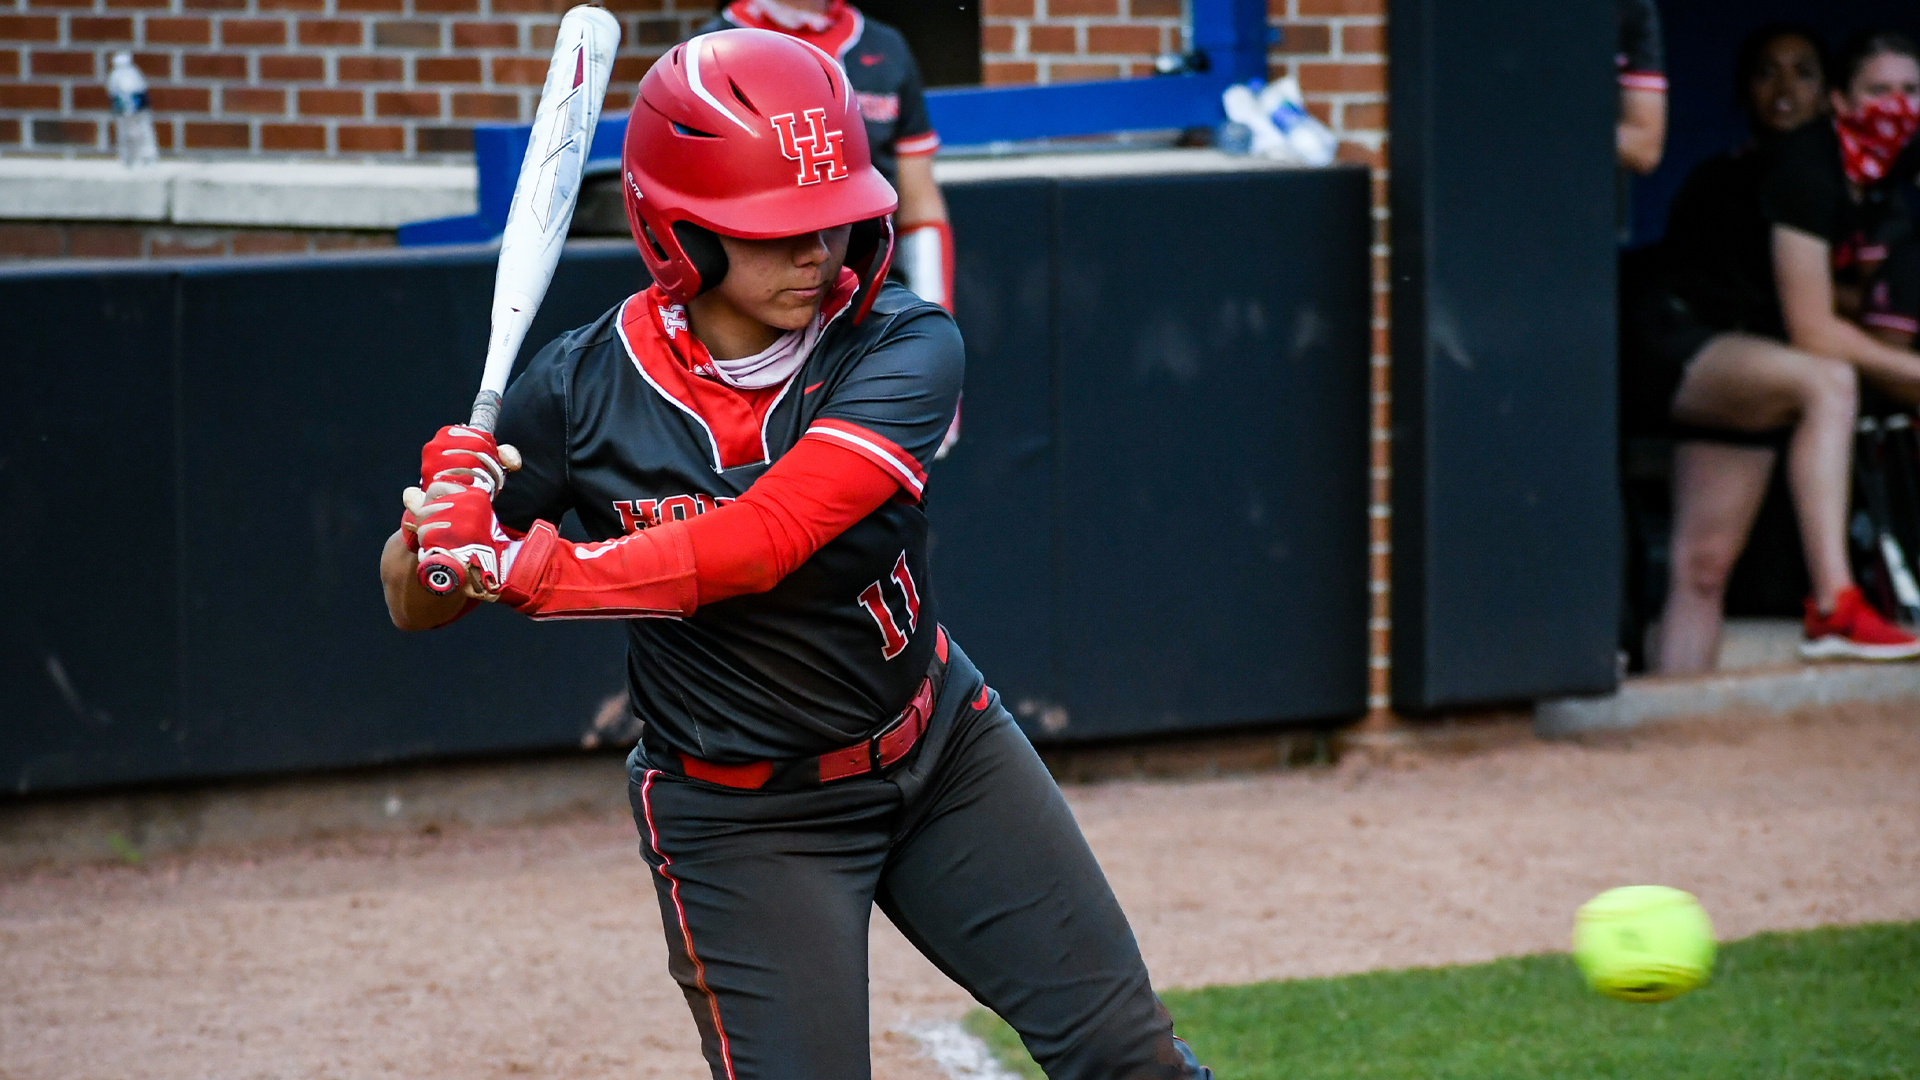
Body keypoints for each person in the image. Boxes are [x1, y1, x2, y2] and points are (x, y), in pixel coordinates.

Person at [379, 29, 1212, 1080]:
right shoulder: (578, 389)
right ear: (681, 233)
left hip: (941, 753)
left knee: (1133, 1062)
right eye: (775, 229)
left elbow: (764, 541)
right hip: (741, 818)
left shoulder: (903, 344)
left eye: (832, 216)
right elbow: (413, 601)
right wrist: (442, 530)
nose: (817, 250)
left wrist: (525, 569)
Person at [1622, 27, 1920, 672]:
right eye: (1878, 90)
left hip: (1747, 365)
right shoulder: (1805, 160)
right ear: (1840, 100)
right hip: (1676, 342)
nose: (1895, 106)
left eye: (1910, 91)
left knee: (1702, 568)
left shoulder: (1882, 184)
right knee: (1827, 381)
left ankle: (1675, 724)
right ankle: (1836, 605)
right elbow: (1815, 330)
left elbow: (1856, 299)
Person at [699, 0, 953, 315]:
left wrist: (934, 308)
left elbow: (919, 203)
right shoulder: (707, 52)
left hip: (873, 296)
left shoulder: (885, 46)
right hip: (763, 304)